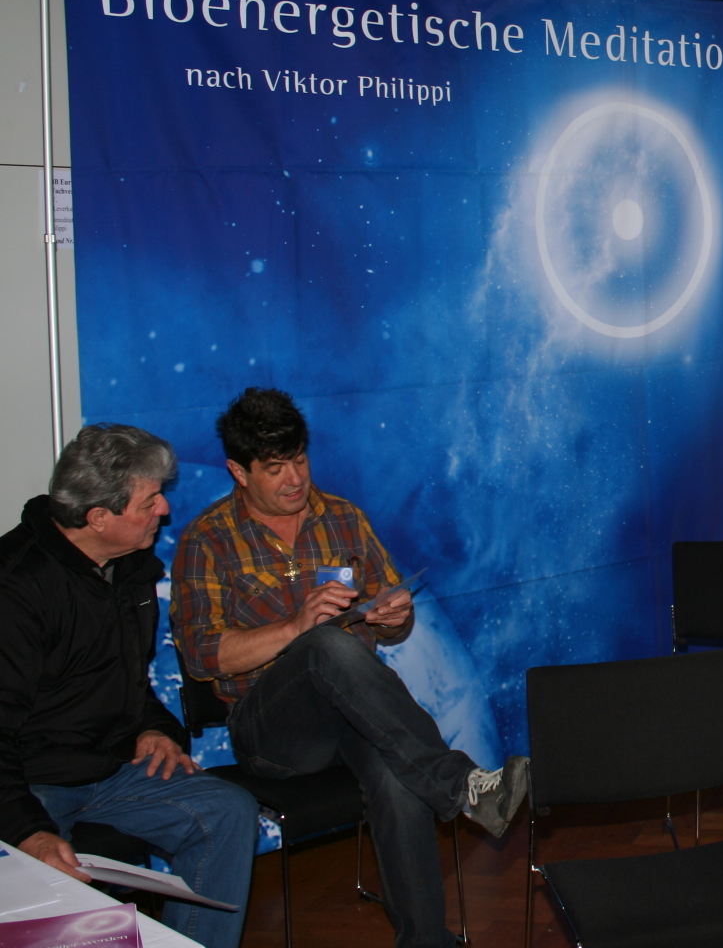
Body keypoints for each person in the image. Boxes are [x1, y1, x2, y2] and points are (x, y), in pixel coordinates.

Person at [171, 387, 527, 948]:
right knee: (324, 645)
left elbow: (391, 619)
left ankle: (425, 941)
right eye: (275, 469)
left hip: (354, 715)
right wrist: (293, 628)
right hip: (271, 731)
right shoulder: (207, 540)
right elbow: (200, 655)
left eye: (300, 460)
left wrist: (394, 617)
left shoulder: (342, 518)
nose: (295, 479)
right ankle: (461, 784)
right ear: (239, 472)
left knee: (396, 774)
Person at [0, 424, 256, 948]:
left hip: (110, 767)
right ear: (98, 517)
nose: (164, 509)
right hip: (30, 780)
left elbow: (125, 681)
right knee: (44, 880)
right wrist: (28, 831)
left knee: (227, 811)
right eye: (149, 501)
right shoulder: (15, 589)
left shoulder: (130, 568)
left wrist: (155, 728)